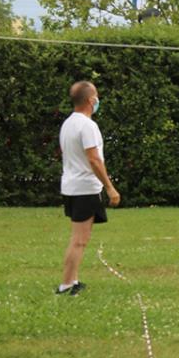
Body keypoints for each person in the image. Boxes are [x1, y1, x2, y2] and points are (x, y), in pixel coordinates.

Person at [57, 81, 120, 296]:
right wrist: (110, 187)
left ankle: (72, 280)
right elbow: (94, 159)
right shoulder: (87, 126)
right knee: (79, 240)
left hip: (71, 187)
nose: (98, 101)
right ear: (90, 100)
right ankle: (66, 284)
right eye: (96, 97)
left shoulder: (68, 123)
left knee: (78, 239)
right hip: (84, 188)